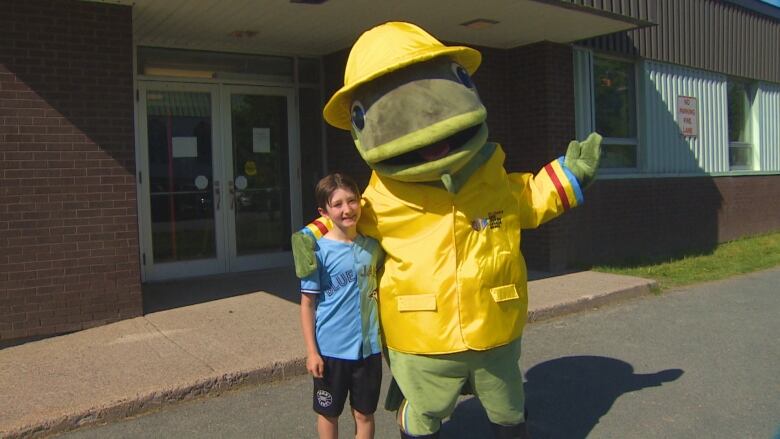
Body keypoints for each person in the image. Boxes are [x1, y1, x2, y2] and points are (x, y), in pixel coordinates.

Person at [299, 172, 384, 439]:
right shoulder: (317, 252)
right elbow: (307, 304)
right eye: (337, 204)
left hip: (368, 350)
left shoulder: (374, 247)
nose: (347, 209)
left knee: (364, 414)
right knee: (328, 413)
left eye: (352, 201)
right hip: (331, 350)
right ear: (323, 211)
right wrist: (312, 352)